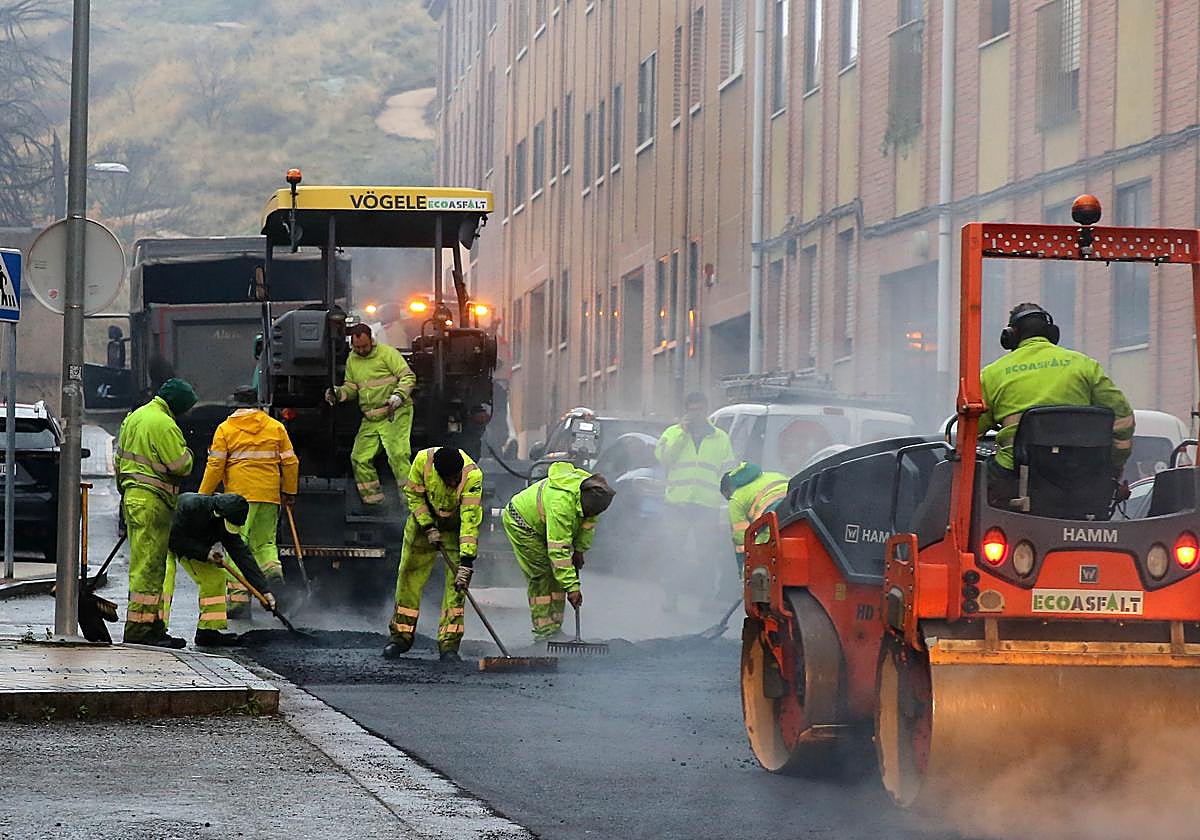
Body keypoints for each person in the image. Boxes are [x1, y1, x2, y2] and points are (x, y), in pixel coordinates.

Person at [979, 302, 1135, 507]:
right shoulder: (1085, 366)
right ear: (1052, 333)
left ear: (1010, 336)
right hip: (1083, 478)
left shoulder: (992, 374)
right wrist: (1113, 465)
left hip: (1016, 479)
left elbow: (970, 430)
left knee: (969, 485)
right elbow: (1123, 420)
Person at [199, 392, 299, 618]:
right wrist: (289, 492)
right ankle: (273, 573)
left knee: (237, 545)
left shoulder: (226, 429)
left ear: (235, 405)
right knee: (265, 543)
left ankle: (238, 602)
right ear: (257, 404)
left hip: (238, 499)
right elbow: (291, 462)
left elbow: (215, 465)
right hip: (269, 495)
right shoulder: (275, 427)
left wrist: (203, 496)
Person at [114, 378, 197, 647]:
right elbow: (180, 465)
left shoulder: (135, 417)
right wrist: (190, 454)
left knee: (144, 562)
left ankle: (152, 625)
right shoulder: (164, 424)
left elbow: (119, 461)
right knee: (149, 567)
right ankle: (141, 630)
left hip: (133, 497)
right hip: (153, 502)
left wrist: (126, 492)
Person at [384, 446, 484, 662]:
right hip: (423, 526)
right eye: (448, 479)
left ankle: (449, 645)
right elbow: (414, 496)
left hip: (455, 529)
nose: (452, 483)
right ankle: (400, 638)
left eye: (455, 479)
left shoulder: (473, 476)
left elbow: (470, 522)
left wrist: (466, 563)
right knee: (409, 576)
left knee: (456, 586)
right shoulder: (422, 462)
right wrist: (428, 527)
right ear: (438, 473)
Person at [503, 462, 615, 642]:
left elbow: (587, 526)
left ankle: (555, 629)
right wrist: (573, 588)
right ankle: (544, 632)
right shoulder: (561, 505)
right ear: (584, 503)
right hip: (523, 524)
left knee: (557, 578)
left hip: (545, 524)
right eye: (592, 512)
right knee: (542, 575)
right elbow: (559, 553)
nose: (593, 515)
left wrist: (579, 550)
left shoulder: (591, 495)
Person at [161, 493, 278, 647]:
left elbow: (243, 557)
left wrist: (264, 590)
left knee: (215, 579)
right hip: (165, 539)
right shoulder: (191, 506)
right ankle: (157, 629)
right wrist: (205, 553)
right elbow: (173, 539)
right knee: (164, 578)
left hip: (194, 546)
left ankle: (208, 632)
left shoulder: (227, 521)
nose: (229, 530)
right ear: (218, 515)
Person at [655, 391, 737, 604]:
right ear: (686, 411)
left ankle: (705, 600)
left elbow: (727, 472)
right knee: (673, 552)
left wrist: (725, 503)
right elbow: (665, 460)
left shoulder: (720, 437)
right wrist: (682, 434)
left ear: (706, 409)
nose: (696, 414)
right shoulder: (671, 434)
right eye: (692, 410)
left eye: (699, 409)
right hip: (677, 503)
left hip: (707, 504)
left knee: (707, 555)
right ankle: (671, 597)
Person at [325, 323, 417, 506]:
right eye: (356, 347)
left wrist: (398, 396)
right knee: (359, 458)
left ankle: (411, 503)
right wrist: (337, 394)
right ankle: (375, 503)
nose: (360, 350)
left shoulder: (387, 354)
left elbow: (408, 377)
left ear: (372, 340)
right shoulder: (353, 359)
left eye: (364, 346)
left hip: (395, 413)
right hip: (371, 418)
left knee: (398, 455)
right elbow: (351, 388)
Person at [720, 462, 790, 568]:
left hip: (770, 522)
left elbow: (742, 542)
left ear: (728, 490)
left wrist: (744, 571)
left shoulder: (736, 499)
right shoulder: (774, 475)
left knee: (761, 561)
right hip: (796, 508)